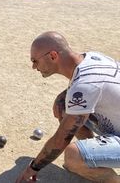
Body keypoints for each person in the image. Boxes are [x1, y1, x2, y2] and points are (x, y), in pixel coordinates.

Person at [16, 31, 120, 183]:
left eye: (35, 61)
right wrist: (64, 95)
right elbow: (92, 85)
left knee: (73, 156)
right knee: (64, 106)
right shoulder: (92, 57)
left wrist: (33, 167)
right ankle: (94, 158)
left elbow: (61, 139)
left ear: (53, 56)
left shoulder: (83, 85)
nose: (33, 66)